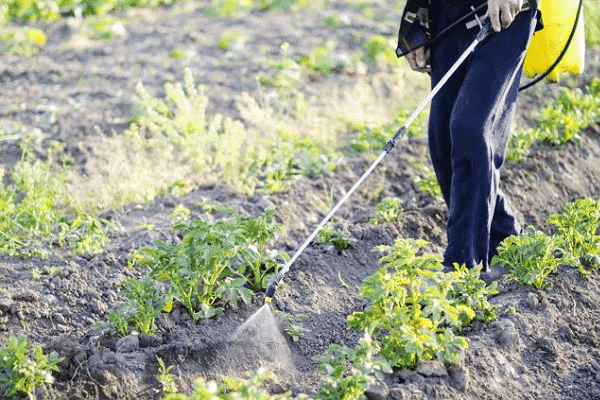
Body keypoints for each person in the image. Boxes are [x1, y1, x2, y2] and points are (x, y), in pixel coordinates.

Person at [396, 0, 542, 280]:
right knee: (443, 143)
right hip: (448, 15)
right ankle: (505, 237)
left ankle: (463, 268)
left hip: (505, 14)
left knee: (471, 129)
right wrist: (416, 20)